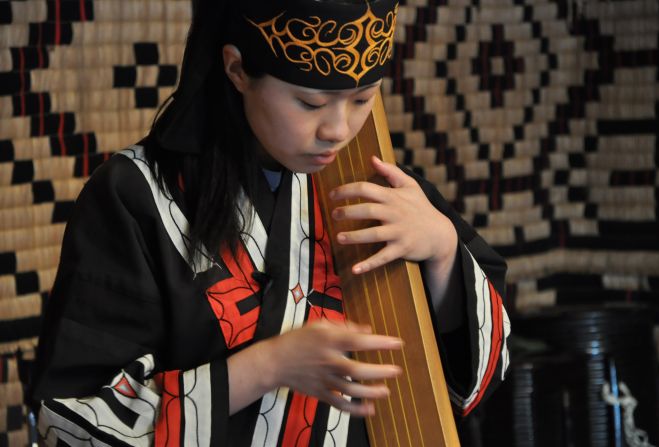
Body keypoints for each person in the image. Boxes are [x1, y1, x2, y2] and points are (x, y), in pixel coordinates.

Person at [29, 0, 511, 445]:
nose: (338, 130)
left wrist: (444, 250)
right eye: (310, 103)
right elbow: (70, 422)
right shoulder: (136, 197)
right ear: (237, 69)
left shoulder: (381, 187)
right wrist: (266, 366)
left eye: (363, 99)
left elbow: (475, 378)